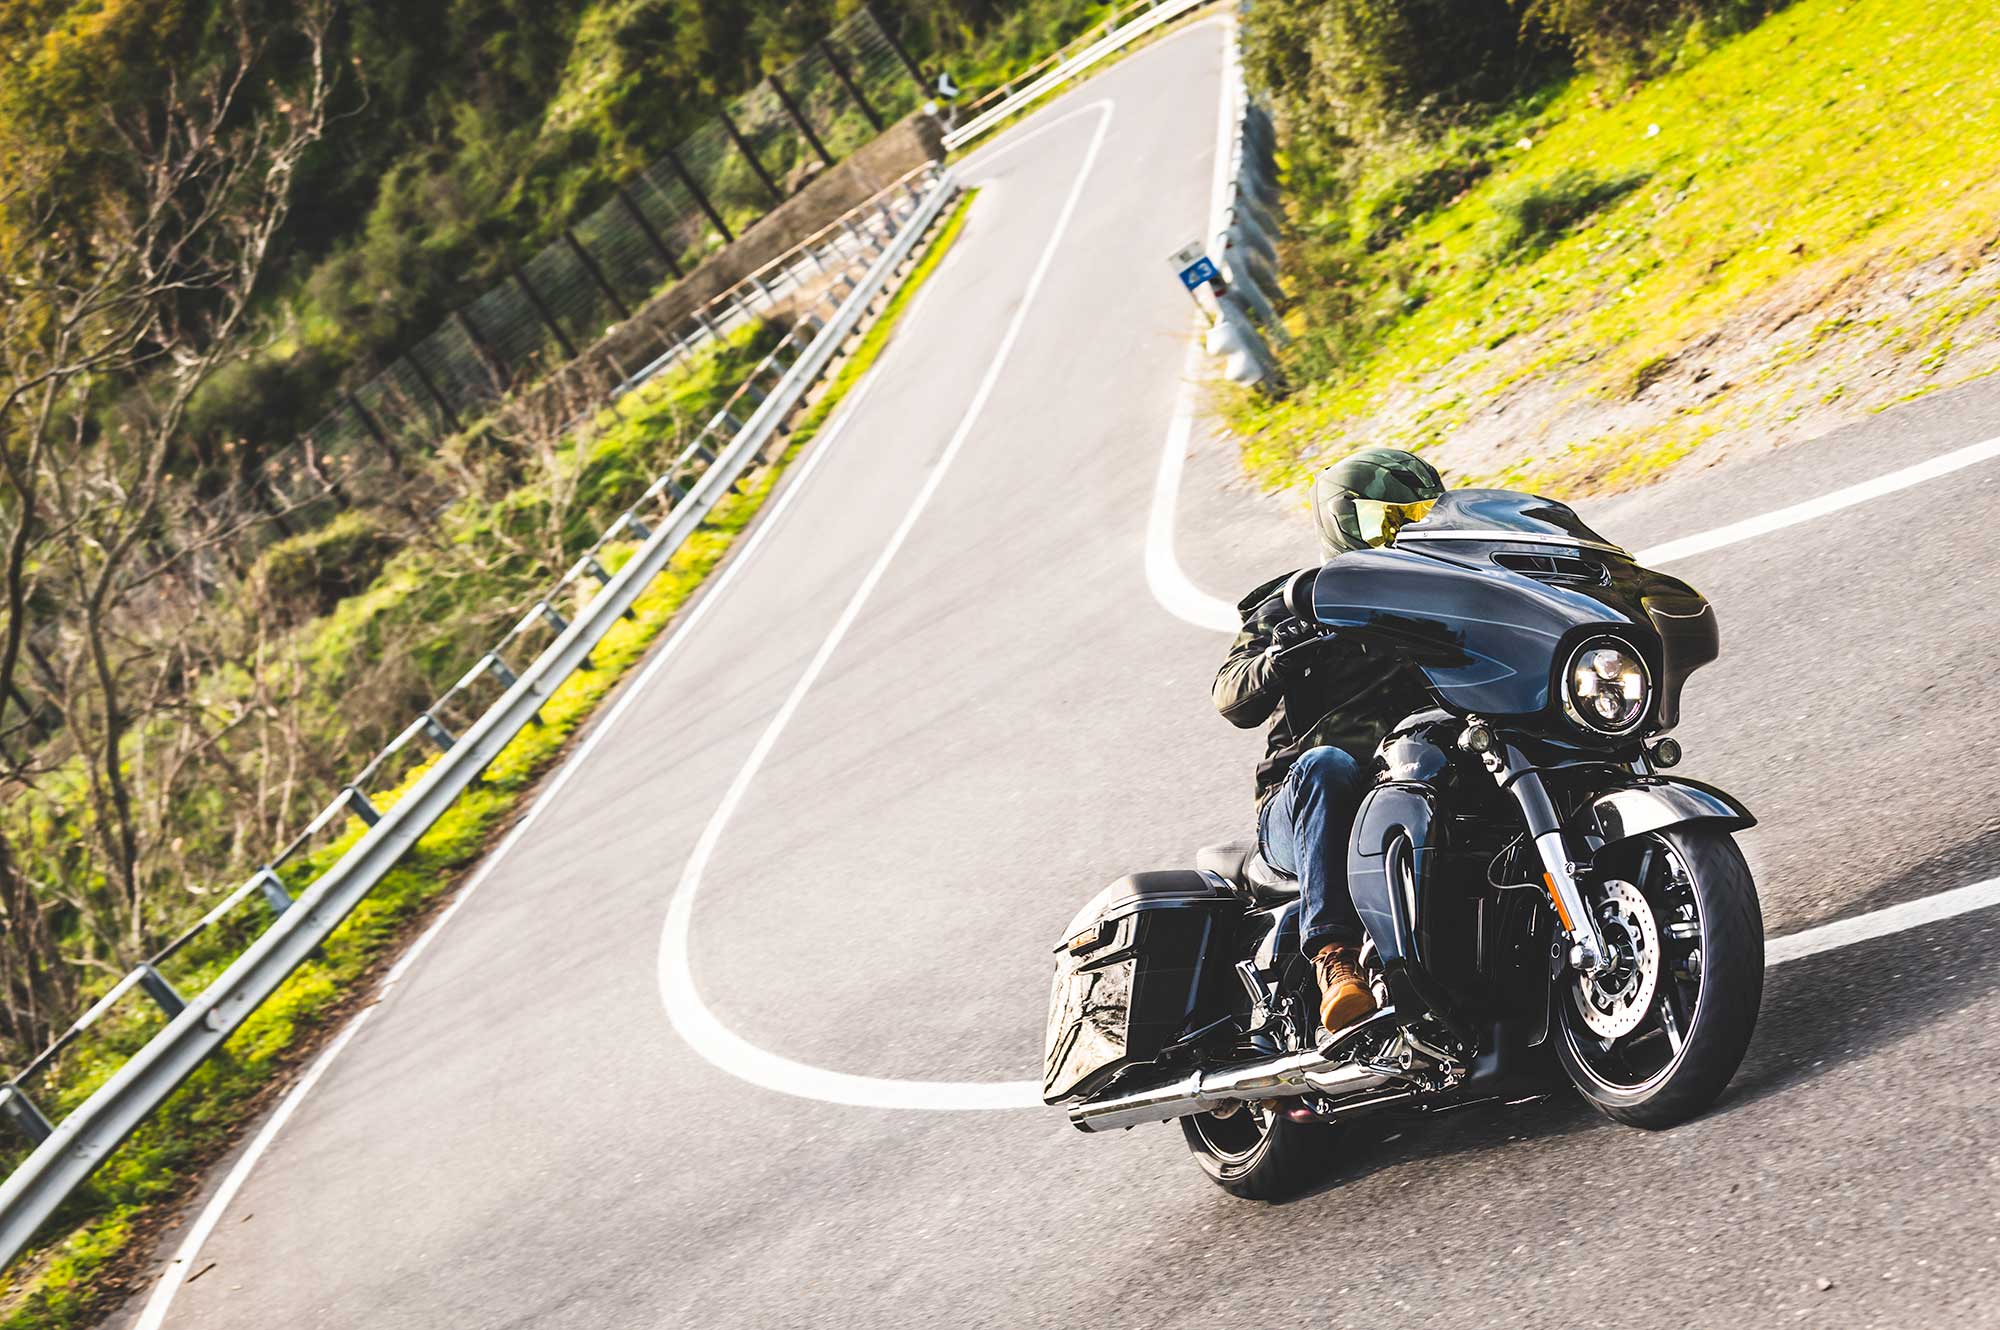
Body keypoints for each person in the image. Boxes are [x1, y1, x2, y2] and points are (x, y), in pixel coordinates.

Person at [1212, 447, 1445, 1038]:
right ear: (1345, 522)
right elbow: (1230, 695)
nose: (1402, 533)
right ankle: (1334, 961)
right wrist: (1278, 660)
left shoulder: (1440, 595)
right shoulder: (1297, 602)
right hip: (1303, 805)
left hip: (1409, 782)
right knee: (1327, 764)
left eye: (1415, 518)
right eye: (1386, 520)